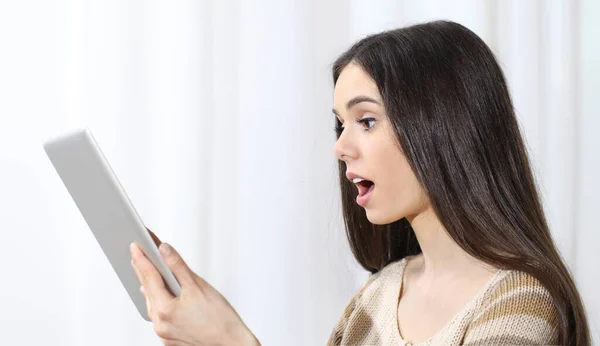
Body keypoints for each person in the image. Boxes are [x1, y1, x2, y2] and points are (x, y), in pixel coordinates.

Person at [129, 20, 591, 346]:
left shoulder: (521, 304)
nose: (341, 147)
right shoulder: (377, 297)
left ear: (442, 126)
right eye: (340, 125)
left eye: (366, 121)